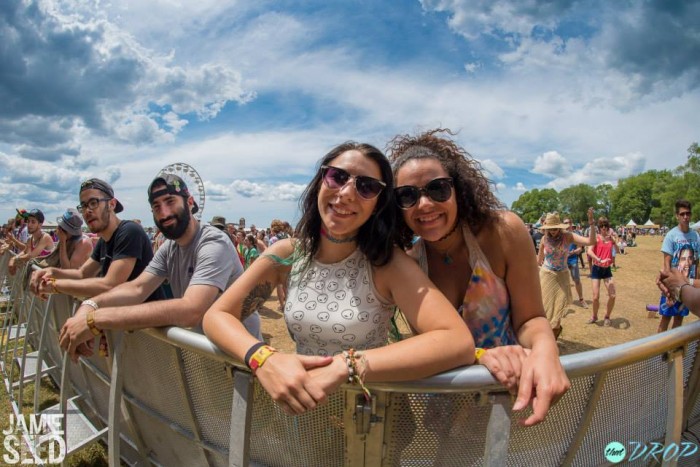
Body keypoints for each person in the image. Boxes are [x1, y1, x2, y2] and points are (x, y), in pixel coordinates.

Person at [203, 141, 475, 417]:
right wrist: (263, 358)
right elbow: (217, 315)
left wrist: (347, 365)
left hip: (369, 419)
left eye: (367, 186)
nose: (346, 193)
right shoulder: (287, 255)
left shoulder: (386, 263)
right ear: (321, 182)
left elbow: (456, 340)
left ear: (378, 204)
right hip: (304, 409)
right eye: (338, 176)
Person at [389, 128, 569, 426]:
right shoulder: (409, 265)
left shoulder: (504, 232)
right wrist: (480, 354)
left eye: (438, 189)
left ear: (458, 190)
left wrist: (546, 349)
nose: (424, 204)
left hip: (506, 391)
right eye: (407, 196)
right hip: (447, 391)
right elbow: (431, 344)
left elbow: (530, 319)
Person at [58, 174, 260, 361]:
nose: (164, 213)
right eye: (156, 206)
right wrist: (89, 306)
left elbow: (192, 309)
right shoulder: (170, 248)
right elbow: (137, 288)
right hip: (205, 352)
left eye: (170, 201)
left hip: (240, 358)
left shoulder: (214, 243)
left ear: (190, 203)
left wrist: (97, 320)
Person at [30, 178, 163, 303]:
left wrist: (55, 286)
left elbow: (110, 285)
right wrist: (52, 272)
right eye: (83, 206)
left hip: (148, 323)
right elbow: (82, 274)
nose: (87, 211)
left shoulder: (130, 231)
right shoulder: (104, 240)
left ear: (111, 204)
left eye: (93, 203)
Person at [537, 210, 596, 337]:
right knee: (545, 309)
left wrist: (591, 223)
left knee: (558, 310)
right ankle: (545, 337)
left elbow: (590, 242)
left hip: (562, 275)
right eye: (550, 228)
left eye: (555, 228)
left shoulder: (568, 236)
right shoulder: (543, 239)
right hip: (547, 275)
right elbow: (539, 259)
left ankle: (554, 336)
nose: (553, 231)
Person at [657, 200, 700, 333]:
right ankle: (659, 351)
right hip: (674, 285)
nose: (685, 217)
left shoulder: (695, 236)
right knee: (665, 318)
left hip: (688, 286)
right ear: (677, 216)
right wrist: (669, 291)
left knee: (679, 318)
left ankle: (672, 350)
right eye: (682, 214)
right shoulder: (671, 236)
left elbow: (697, 263)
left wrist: (696, 283)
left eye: (688, 213)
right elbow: (666, 265)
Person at [587, 216, 619, 326]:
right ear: (599, 227)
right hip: (597, 268)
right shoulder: (596, 238)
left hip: (607, 270)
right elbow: (589, 251)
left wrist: (614, 241)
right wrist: (599, 259)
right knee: (595, 297)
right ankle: (594, 316)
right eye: (601, 226)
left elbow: (619, 251)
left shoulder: (610, 239)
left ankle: (607, 316)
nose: (604, 228)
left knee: (613, 295)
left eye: (606, 226)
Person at [8, 209, 54, 275]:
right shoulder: (30, 239)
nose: (29, 225)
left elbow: (30, 255)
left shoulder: (45, 237)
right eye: (28, 221)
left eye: (33, 222)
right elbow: (25, 251)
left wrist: (14, 259)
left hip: (46, 279)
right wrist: (14, 258)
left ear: (40, 224)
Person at [564, 218, 588, 309]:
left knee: (577, 280)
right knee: (564, 281)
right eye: (565, 223)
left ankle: (581, 299)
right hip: (563, 261)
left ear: (571, 224)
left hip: (573, 260)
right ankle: (564, 300)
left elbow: (580, 248)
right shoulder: (561, 235)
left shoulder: (576, 235)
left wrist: (574, 252)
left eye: (568, 223)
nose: (566, 224)